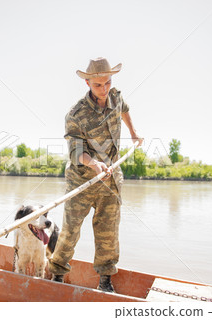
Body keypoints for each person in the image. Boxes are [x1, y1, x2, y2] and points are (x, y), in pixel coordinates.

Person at [48, 57, 143, 292]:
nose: (104, 89)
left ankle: (105, 281)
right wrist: (94, 164)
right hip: (81, 178)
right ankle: (57, 274)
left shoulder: (116, 97)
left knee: (108, 232)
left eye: (108, 83)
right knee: (70, 230)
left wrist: (133, 133)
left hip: (111, 178)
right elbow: (75, 150)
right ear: (88, 83)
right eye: (98, 85)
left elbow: (125, 110)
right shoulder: (76, 114)